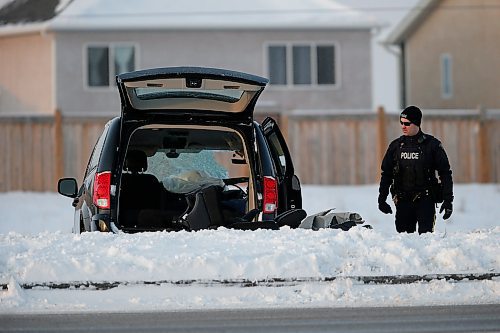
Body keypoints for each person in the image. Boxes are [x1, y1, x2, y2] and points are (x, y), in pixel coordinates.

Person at [378, 106, 453, 234]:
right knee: (405, 241)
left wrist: (448, 200)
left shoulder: (432, 145)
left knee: (425, 238)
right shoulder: (396, 146)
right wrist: (382, 199)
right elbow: (386, 174)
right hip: (403, 201)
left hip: (426, 200)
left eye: (407, 123)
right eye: (401, 123)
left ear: (417, 123)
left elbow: (445, 173)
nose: (403, 126)